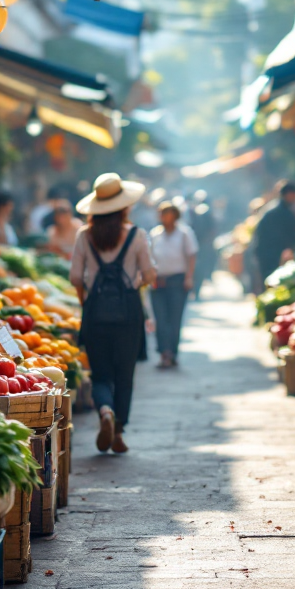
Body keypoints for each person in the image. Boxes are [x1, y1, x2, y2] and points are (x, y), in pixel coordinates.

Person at [70, 173, 157, 454]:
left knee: (100, 374)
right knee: (125, 374)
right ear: (124, 206)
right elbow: (149, 274)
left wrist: (87, 303)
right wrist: (135, 284)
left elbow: (75, 278)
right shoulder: (136, 235)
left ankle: (105, 410)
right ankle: (118, 432)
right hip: (129, 314)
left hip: (95, 313)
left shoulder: (84, 236)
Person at [149, 201, 198, 369]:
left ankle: (172, 352)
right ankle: (164, 352)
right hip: (159, 281)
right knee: (160, 320)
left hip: (177, 280)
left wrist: (189, 277)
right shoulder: (155, 234)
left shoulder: (184, 233)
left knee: (174, 319)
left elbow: (191, 256)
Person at [251, 181, 295, 289]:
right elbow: (291, 234)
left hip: (266, 252)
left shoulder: (275, 208)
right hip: (270, 253)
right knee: (271, 282)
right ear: (289, 194)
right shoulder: (281, 212)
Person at [189, 191, 217, 300]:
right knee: (199, 268)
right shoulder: (205, 211)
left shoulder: (196, 211)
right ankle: (196, 290)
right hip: (201, 244)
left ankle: (195, 290)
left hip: (200, 244)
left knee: (198, 268)